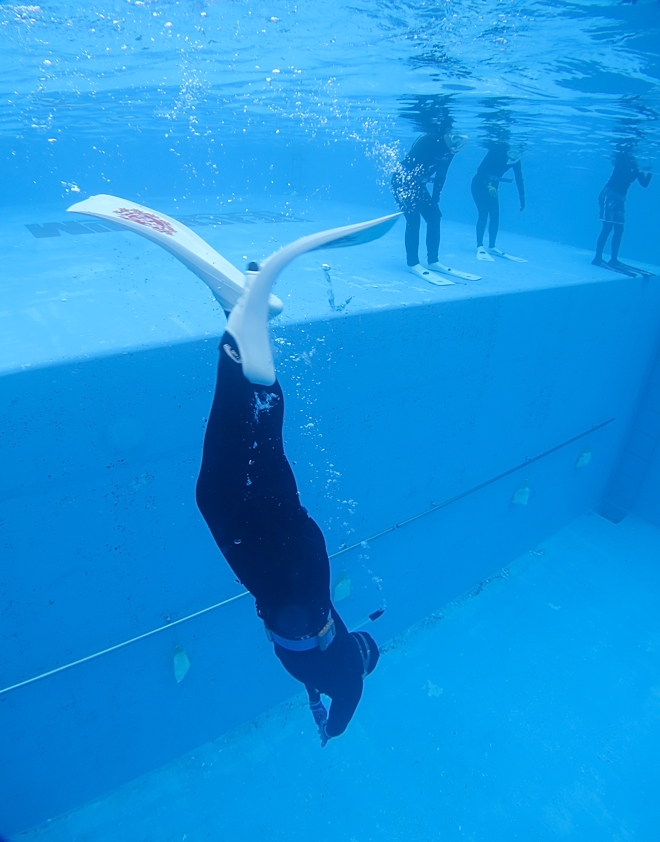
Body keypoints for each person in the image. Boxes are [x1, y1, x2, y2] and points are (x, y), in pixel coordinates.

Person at [68, 194, 398, 746]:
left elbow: (329, 691)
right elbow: (346, 701)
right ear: (358, 662)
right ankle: (242, 332)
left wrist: (319, 711)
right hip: (287, 571)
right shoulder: (342, 674)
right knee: (228, 482)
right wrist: (332, 728)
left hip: (295, 561)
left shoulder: (326, 673)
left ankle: (241, 327)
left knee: (252, 461)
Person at [391, 120, 467, 281]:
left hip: (418, 184)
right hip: (402, 181)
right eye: (454, 138)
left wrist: (435, 199)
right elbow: (410, 166)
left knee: (434, 217)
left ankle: (433, 260)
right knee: (413, 219)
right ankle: (413, 263)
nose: (456, 143)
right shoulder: (430, 140)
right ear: (446, 133)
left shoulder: (450, 150)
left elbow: (441, 175)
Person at [592, 149, 652, 274]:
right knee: (607, 227)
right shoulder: (623, 160)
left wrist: (649, 170)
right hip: (608, 196)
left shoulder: (636, 167)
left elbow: (644, 184)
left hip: (620, 199)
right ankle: (597, 258)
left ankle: (614, 259)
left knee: (619, 229)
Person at [471, 142, 526, 261]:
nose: (514, 156)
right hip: (479, 183)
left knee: (495, 215)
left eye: (518, 153)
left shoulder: (516, 160)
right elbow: (480, 169)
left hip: (493, 187)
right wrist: (488, 184)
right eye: (512, 152)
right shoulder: (497, 150)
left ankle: (491, 246)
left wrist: (522, 198)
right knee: (484, 211)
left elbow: (519, 178)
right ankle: (480, 246)